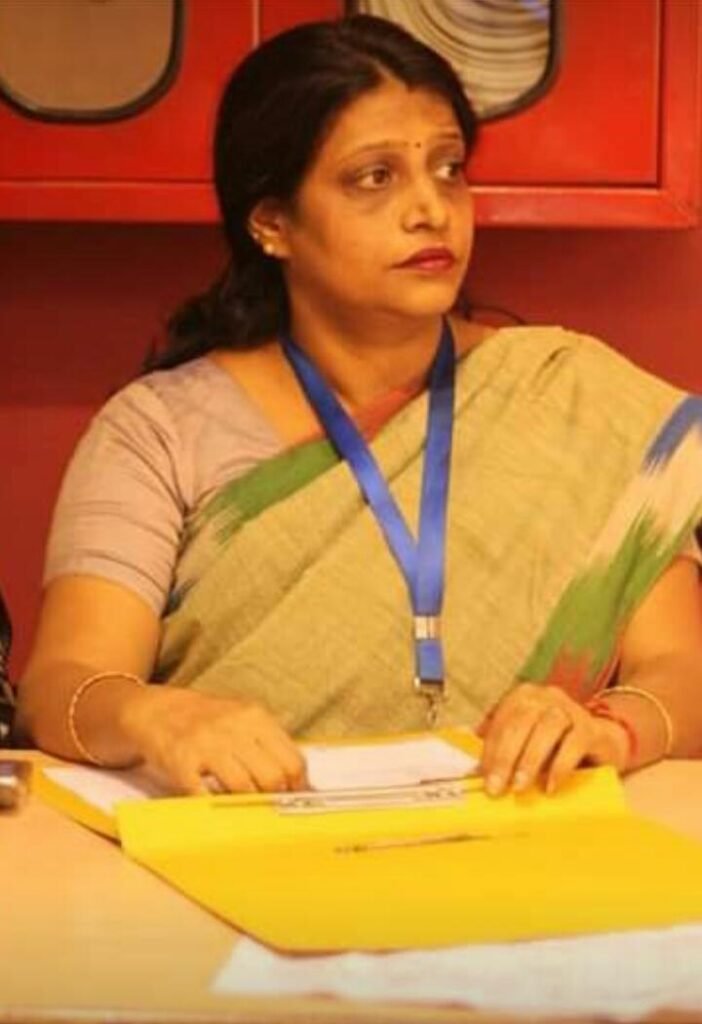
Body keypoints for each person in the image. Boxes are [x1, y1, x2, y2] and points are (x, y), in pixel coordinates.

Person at [17, 14, 702, 799]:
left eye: (449, 168)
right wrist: (152, 717)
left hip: (520, 837)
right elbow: (62, 685)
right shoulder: (160, 431)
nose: (431, 208)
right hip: (242, 843)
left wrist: (609, 726)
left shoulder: (575, 400)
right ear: (273, 224)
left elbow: (680, 671)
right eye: (375, 178)